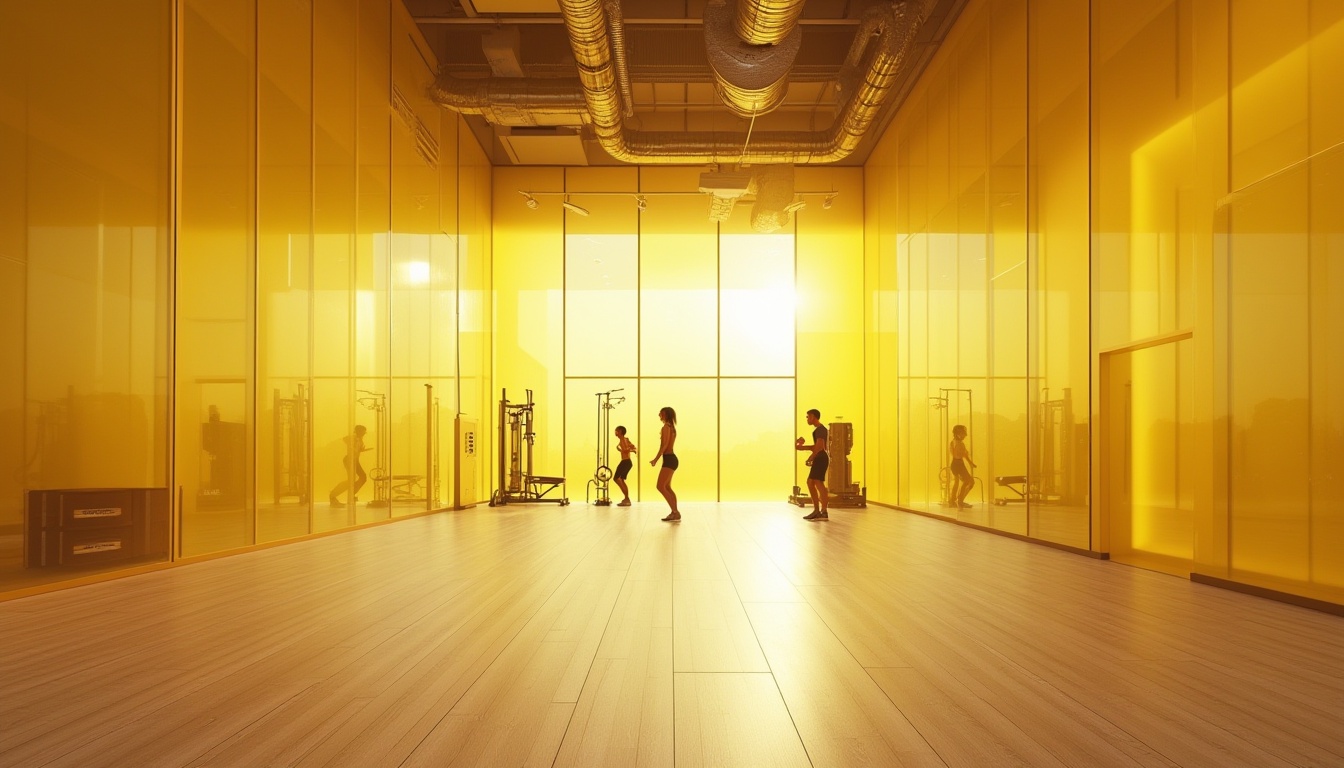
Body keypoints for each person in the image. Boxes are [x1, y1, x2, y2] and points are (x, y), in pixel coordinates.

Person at [796, 408, 829, 520]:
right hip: (819, 457)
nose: (807, 419)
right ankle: (817, 511)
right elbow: (817, 446)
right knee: (811, 482)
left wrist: (812, 456)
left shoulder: (821, 429)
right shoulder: (818, 430)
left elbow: (820, 447)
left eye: (808, 416)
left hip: (821, 458)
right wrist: (802, 447)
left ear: (814, 417)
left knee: (818, 483)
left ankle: (823, 511)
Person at [649, 407, 679, 522]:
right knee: (667, 487)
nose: (659, 414)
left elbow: (664, 445)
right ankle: (674, 512)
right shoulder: (672, 428)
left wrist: (656, 459)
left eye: (660, 413)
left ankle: (675, 512)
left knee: (660, 486)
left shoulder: (666, 427)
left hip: (669, 459)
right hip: (671, 459)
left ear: (665, 414)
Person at [329, 424, 370, 507]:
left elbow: (357, 449)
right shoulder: (354, 437)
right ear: (359, 431)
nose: (364, 434)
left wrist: (360, 449)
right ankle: (333, 496)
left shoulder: (360, 440)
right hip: (349, 460)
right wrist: (352, 443)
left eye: (364, 433)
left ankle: (351, 494)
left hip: (355, 460)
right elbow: (345, 439)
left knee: (363, 477)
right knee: (351, 480)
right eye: (363, 432)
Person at [947, 424, 976, 509]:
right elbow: (960, 454)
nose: (965, 435)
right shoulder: (956, 443)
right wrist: (970, 463)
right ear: (957, 433)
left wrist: (971, 463)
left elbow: (964, 455)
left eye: (964, 433)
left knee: (968, 481)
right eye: (963, 433)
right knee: (963, 482)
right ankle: (957, 501)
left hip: (959, 463)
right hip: (957, 464)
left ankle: (956, 500)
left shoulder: (957, 443)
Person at [613, 425, 636, 507]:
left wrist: (621, 450)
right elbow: (633, 447)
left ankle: (626, 499)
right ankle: (626, 499)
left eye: (617, 431)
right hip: (627, 462)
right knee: (621, 479)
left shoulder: (623, 439)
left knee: (616, 478)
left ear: (621, 432)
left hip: (626, 462)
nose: (615, 432)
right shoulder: (624, 440)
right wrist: (633, 450)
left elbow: (627, 449)